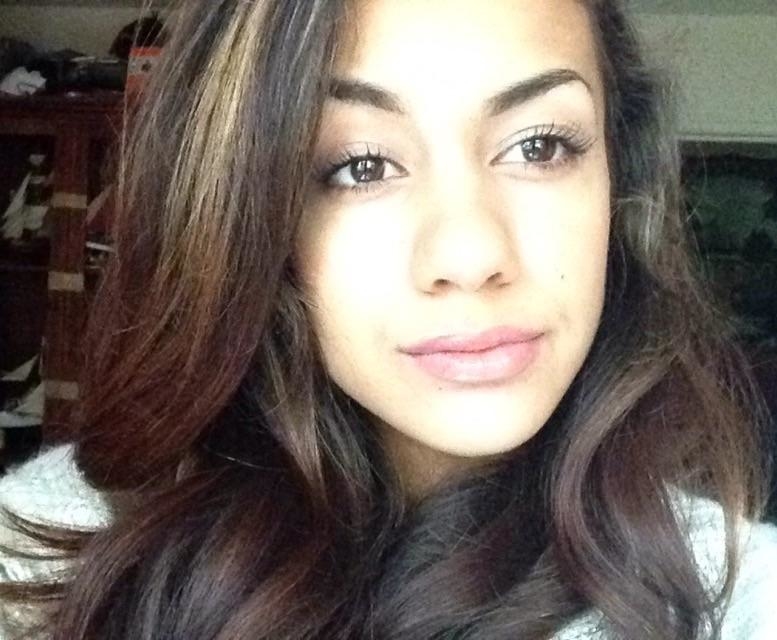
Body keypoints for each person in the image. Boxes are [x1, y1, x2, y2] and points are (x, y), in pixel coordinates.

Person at [1, 0, 776, 637]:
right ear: (246, 214)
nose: (470, 254)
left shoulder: (737, 598)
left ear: (616, 175)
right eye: (361, 166)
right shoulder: (43, 554)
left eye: (539, 146)